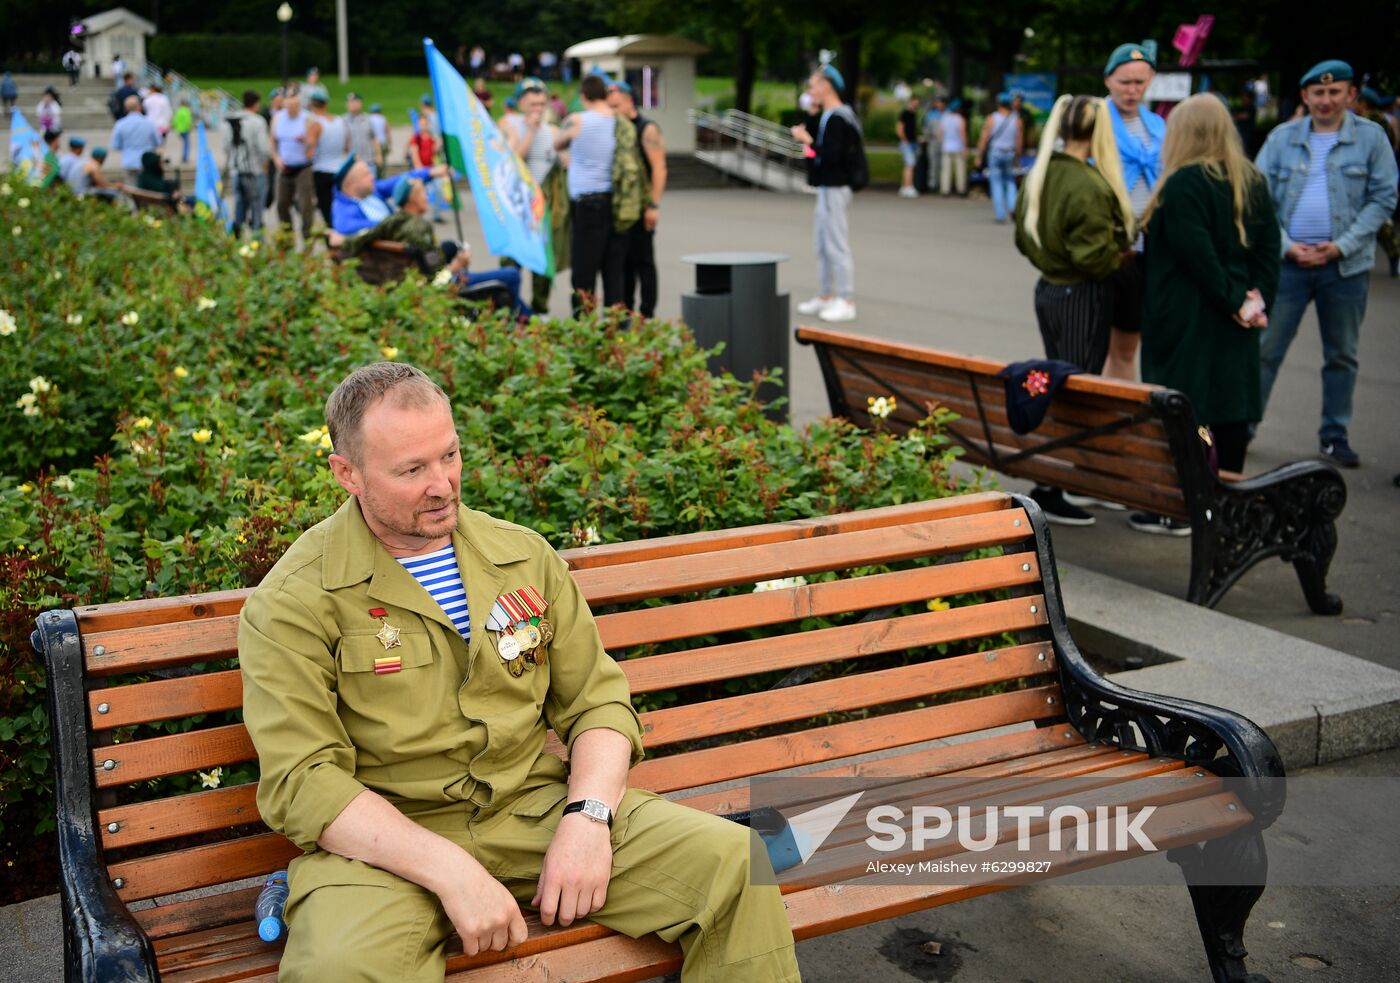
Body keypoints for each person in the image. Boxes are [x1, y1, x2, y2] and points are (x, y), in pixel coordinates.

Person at [238, 362, 800, 983]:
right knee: (339, 971)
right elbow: (304, 780)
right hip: (384, 849)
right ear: (347, 473)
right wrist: (450, 870)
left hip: (536, 813)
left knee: (736, 866)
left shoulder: (522, 555)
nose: (442, 485)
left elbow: (598, 704)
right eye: (411, 470)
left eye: (450, 455)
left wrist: (589, 818)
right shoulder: (295, 599)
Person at [1131, 94, 1282, 535]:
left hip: (1187, 316)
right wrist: (1253, 304)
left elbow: (1198, 255)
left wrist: (1232, 301)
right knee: (1230, 407)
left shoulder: (1182, 183)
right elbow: (1269, 248)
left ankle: (1181, 506)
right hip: (1236, 320)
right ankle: (1227, 501)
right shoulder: (1249, 178)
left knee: (1185, 409)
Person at [1254, 60, 1398, 468]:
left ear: (1351, 95)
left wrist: (1342, 246)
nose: (1326, 100)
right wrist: (1286, 246)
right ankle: (1244, 428)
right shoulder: (1282, 138)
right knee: (1266, 349)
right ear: (1305, 96)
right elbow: (1258, 197)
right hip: (1289, 265)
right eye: (1318, 92)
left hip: (1344, 269)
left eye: (1335, 92)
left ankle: (1334, 435)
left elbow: (1384, 198)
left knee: (1342, 355)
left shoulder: (1371, 139)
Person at [1014, 94, 1134, 526]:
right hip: (1082, 294)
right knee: (1075, 389)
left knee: (1061, 382)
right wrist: (1119, 256)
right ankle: (1057, 484)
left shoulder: (1040, 173)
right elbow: (1093, 258)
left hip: (1049, 288)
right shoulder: (1089, 184)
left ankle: (1062, 479)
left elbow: (1023, 237)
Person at [1101, 41, 1165, 381]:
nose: (1132, 90)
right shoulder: (1093, 120)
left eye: (1140, 82)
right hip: (1105, 250)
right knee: (1090, 349)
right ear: (1108, 80)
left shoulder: (1158, 126)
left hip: (1145, 251)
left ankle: (1119, 408)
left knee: (1127, 348)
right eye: (1125, 82)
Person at [791, 64, 864, 323]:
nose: (810, 91)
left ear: (826, 86)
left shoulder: (838, 118)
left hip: (836, 187)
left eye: (813, 86)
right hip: (827, 186)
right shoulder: (828, 116)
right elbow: (818, 150)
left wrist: (808, 141)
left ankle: (846, 299)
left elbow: (832, 156)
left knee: (836, 243)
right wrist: (811, 122)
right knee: (822, 243)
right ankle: (825, 295)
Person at [555, 73, 625, 314]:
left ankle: (583, 323)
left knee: (584, 271)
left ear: (583, 96)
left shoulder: (577, 120)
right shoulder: (619, 121)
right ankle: (615, 323)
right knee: (613, 270)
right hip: (616, 202)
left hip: (587, 203)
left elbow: (556, 144)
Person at [502, 78, 564, 315]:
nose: (538, 109)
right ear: (520, 103)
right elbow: (511, 161)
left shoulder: (553, 130)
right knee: (511, 261)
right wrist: (529, 131)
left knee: (542, 260)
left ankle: (540, 307)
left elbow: (562, 164)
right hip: (516, 205)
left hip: (542, 206)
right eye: (532, 104)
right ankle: (509, 309)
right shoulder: (509, 124)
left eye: (541, 104)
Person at [608, 80, 665, 318]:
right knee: (624, 263)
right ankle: (627, 312)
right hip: (621, 209)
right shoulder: (614, 128)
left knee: (644, 262)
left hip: (642, 206)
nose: (612, 111)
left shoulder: (646, 129)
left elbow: (659, 168)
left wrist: (653, 205)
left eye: (616, 106)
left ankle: (647, 313)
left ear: (629, 101)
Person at [329, 157, 444, 236]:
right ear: (350, 183)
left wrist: (429, 173)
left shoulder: (372, 190)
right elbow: (345, 227)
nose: (372, 177)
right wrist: (394, 223)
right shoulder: (343, 208)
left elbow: (400, 181)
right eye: (366, 175)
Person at [223, 90, 272, 238]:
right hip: (255, 171)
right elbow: (264, 148)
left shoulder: (230, 121)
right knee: (257, 208)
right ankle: (257, 238)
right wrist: (265, 164)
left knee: (239, 206)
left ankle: (236, 236)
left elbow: (225, 147)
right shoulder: (257, 121)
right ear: (256, 104)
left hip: (237, 170)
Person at [272, 88, 317, 238]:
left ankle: (307, 236)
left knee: (305, 205)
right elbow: (272, 141)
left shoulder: (307, 118)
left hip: (302, 167)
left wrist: (306, 140)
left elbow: (314, 143)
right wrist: (276, 159)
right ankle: (287, 236)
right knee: (281, 204)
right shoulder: (278, 117)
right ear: (284, 104)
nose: (292, 108)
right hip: (284, 167)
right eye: (289, 105)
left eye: (295, 105)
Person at [977, 92, 1023, 222]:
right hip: (1010, 153)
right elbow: (1019, 142)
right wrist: (1018, 157)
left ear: (998, 103)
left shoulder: (991, 118)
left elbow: (984, 138)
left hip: (995, 152)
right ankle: (1013, 207)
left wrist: (979, 156)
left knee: (996, 182)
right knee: (1010, 181)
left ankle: (1000, 214)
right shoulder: (1017, 120)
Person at [307, 92, 350, 226]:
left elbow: (310, 152)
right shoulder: (339, 120)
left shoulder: (315, 124)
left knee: (325, 207)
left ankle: (332, 232)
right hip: (339, 168)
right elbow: (346, 147)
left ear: (312, 104)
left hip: (322, 169)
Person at [110, 95, 161, 186]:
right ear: (139, 106)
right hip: (146, 162)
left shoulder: (120, 124)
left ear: (126, 108)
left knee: (130, 188)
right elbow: (158, 142)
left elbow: (116, 145)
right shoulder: (149, 123)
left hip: (129, 161)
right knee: (145, 189)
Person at [344, 93, 381, 177]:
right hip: (352, 164)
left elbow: (374, 138)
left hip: (369, 162)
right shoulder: (343, 121)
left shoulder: (368, 119)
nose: (352, 104)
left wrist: (378, 155)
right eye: (350, 102)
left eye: (355, 102)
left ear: (360, 103)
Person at [939, 98, 968, 196]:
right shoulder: (960, 119)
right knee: (960, 170)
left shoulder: (944, 118)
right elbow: (963, 134)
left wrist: (942, 143)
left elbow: (940, 133)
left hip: (946, 147)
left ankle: (945, 190)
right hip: (958, 147)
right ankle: (961, 189)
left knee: (945, 170)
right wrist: (965, 147)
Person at [896, 94, 920, 198]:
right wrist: (905, 140)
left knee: (908, 165)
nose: (916, 104)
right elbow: (899, 128)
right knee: (910, 164)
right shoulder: (905, 113)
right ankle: (908, 187)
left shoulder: (914, 114)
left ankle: (904, 186)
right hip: (907, 143)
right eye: (915, 101)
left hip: (913, 142)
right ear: (911, 101)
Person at [922, 95, 945, 193]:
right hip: (933, 140)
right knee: (933, 163)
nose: (939, 105)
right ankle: (932, 184)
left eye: (941, 103)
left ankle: (941, 184)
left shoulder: (947, 114)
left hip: (944, 142)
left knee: (942, 165)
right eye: (937, 103)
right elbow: (926, 129)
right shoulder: (930, 115)